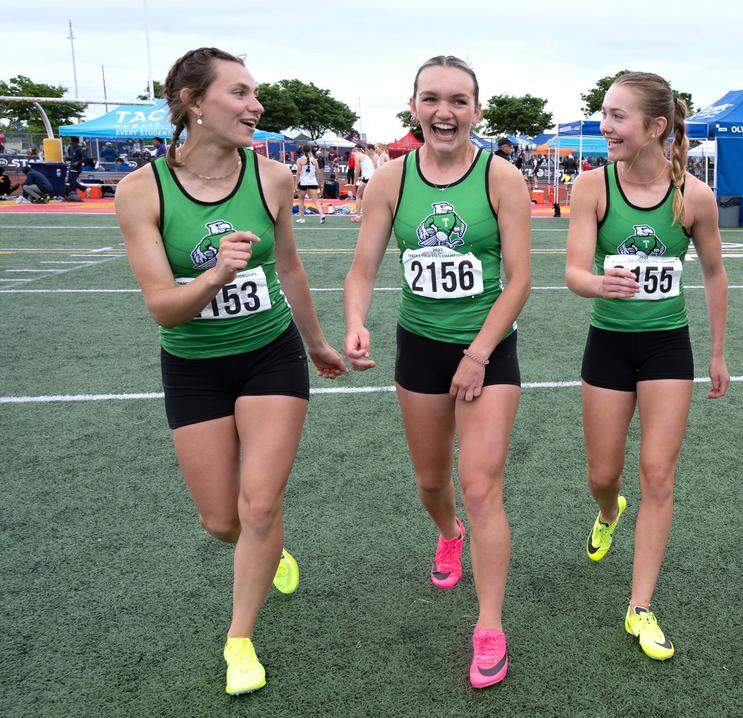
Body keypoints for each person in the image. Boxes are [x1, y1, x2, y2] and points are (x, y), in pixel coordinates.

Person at [113, 47, 346, 696]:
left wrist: (317, 341)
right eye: (240, 94)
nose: (256, 106)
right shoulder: (142, 193)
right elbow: (163, 306)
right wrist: (216, 271)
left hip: (270, 355)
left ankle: (238, 638)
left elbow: (291, 267)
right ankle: (265, 545)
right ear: (194, 103)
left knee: (261, 503)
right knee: (223, 521)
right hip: (193, 367)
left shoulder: (272, 178)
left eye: (255, 94)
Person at [343, 55, 531, 689]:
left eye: (458, 100)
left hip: (488, 351)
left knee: (480, 486)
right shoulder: (390, 181)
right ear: (414, 106)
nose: (444, 112)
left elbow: (520, 279)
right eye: (431, 99)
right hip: (419, 348)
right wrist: (356, 320)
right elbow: (364, 267)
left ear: (477, 110)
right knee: (431, 482)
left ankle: (489, 626)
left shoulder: (500, 178)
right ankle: (446, 534)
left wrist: (478, 352)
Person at [565, 71, 729, 661]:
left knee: (658, 473)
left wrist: (715, 351)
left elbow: (713, 273)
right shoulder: (592, 187)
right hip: (607, 346)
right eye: (604, 114)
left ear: (656, 127)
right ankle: (609, 511)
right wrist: (598, 283)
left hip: (667, 348)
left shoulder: (695, 198)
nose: (605, 126)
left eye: (617, 117)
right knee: (603, 475)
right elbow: (574, 272)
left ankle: (640, 605)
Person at [294, 144, 325, 224]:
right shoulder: (314, 160)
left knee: (301, 200)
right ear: (310, 150)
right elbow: (318, 173)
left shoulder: (300, 160)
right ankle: (322, 215)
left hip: (303, 182)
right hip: (312, 182)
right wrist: (320, 184)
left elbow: (298, 173)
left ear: (303, 151)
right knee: (316, 200)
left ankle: (302, 218)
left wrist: (295, 184)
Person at [350, 145, 374, 222]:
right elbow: (367, 168)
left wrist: (354, 182)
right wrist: (361, 177)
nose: (352, 155)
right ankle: (367, 214)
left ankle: (358, 216)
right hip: (372, 177)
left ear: (355, 151)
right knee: (365, 197)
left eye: (352, 153)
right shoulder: (365, 156)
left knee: (358, 196)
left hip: (367, 178)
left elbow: (357, 169)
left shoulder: (357, 155)